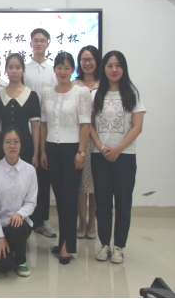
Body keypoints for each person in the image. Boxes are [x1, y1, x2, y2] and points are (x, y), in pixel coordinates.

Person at [91, 51, 146, 265]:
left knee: (123, 202)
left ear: (123, 68)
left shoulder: (132, 93)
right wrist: (101, 147)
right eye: (110, 65)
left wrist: (118, 149)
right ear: (103, 69)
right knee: (103, 203)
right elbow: (90, 126)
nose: (114, 70)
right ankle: (104, 244)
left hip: (125, 157)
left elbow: (137, 126)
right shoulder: (96, 94)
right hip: (100, 156)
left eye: (118, 65)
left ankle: (119, 247)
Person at [40, 52, 91, 265]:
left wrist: (81, 152)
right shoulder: (47, 93)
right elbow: (44, 124)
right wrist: (43, 151)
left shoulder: (81, 92)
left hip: (72, 151)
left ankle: (66, 247)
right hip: (52, 149)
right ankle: (65, 241)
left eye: (67, 68)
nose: (62, 71)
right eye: (59, 67)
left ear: (72, 70)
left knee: (69, 199)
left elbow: (85, 125)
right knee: (60, 200)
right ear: (54, 69)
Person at [0, 127, 38, 277]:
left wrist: (19, 214)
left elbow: (31, 203)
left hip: (19, 225)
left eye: (16, 142)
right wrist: (0, 237)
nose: (12, 146)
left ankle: (21, 260)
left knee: (17, 225)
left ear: (21, 144)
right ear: (2, 145)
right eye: (8, 142)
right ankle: (8, 248)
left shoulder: (30, 170)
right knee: (3, 267)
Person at [24, 28, 58, 239]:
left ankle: (43, 220)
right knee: (25, 177)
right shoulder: (24, 70)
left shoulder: (53, 71)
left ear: (47, 44)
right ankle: (24, 218)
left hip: (47, 129)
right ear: (30, 44)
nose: (39, 43)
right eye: (35, 40)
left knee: (43, 177)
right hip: (25, 131)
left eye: (42, 40)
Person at [0, 53, 41, 166]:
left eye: (18, 67)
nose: (14, 71)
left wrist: (36, 153)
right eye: (10, 67)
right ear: (5, 70)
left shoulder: (32, 96)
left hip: (26, 147)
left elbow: (35, 127)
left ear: (23, 70)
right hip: (3, 148)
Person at [73, 45, 101, 240]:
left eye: (90, 59)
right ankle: (81, 222)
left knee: (97, 184)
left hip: (100, 140)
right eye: (83, 59)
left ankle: (93, 222)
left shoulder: (104, 84)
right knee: (81, 185)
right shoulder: (74, 85)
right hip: (81, 139)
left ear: (97, 61)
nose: (87, 63)